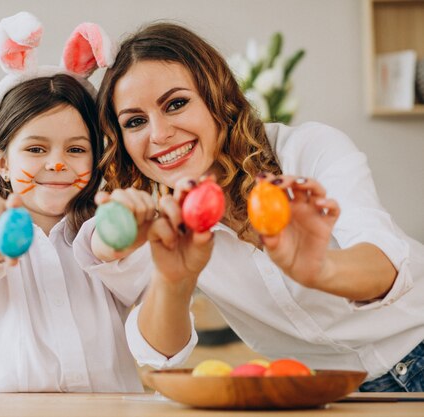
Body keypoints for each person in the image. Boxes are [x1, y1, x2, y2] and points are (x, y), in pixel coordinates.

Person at [76, 22, 424, 392]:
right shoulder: (162, 219)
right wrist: (173, 281)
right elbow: (158, 353)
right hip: (327, 392)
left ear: (217, 95)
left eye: (176, 104)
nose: (159, 134)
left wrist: (320, 268)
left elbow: (387, 261)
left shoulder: (306, 151)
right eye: (135, 122)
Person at [0, 12, 143, 393]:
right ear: (2, 162)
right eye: (36, 148)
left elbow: (144, 288)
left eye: (76, 149)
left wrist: (126, 244)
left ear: (96, 156)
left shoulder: (105, 233)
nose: (57, 162)